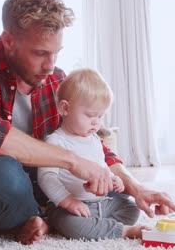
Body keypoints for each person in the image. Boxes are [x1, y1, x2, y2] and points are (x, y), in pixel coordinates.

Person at [0, 0, 175, 245]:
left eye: (56, 52)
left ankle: (31, 220)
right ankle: (33, 217)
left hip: (30, 194)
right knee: (6, 170)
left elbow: (88, 142)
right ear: (9, 41)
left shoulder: (56, 81)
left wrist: (137, 188)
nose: (51, 64)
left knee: (108, 193)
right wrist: (72, 161)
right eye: (40, 53)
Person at [39, 68, 151, 240]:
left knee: (131, 208)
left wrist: (114, 179)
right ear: (65, 108)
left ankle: (96, 226)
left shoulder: (94, 140)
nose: (96, 122)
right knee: (70, 223)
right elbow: (47, 178)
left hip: (100, 203)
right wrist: (68, 201)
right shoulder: (55, 141)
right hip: (67, 207)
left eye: (100, 116)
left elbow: (102, 166)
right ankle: (123, 231)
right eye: (91, 115)